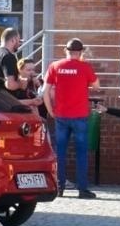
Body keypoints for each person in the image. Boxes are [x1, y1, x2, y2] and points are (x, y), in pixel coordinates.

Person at [43, 37, 100, 200]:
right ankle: (82, 189)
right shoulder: (85, 67)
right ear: (80, 52)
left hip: (61, 115)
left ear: (66, 51)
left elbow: (45, 91)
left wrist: (49, 110)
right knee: (81, 153)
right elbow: (97, 85)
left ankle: (59, 187)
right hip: (80, 116)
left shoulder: (55, 66)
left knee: (60, 152)